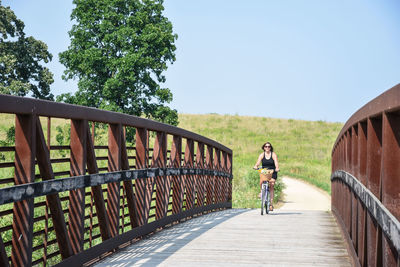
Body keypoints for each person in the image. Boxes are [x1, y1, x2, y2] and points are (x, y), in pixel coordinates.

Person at [253, 142, 280, 211]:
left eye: (269, 146)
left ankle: (271, 204)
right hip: (265, 171)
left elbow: (276, 163)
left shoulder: (273, 154)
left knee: (272, 184)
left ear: (270, 148)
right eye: (266, 146)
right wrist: (256, 166)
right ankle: (261, 191)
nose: (267, 148)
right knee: (261, 180)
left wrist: (277, 168)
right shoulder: (262, 155)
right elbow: (258, 162)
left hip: (272, 171)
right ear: (264, 147)